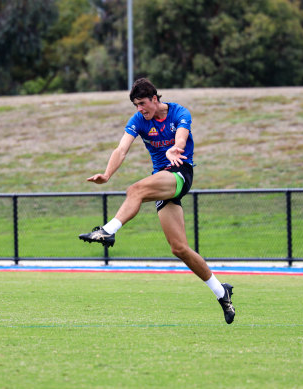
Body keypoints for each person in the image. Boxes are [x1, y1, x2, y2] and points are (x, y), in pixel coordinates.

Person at [78, 78, 235, 324]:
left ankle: (108, 231)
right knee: (179, 249)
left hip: (180, 173)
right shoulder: (139, 121)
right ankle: (220, 291)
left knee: (135, 190)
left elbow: (181, 137)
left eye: (142, 103)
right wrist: (107, 174)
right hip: (162, 181)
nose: (140, 109)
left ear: (154, 98)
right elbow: (121, 150)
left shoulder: (179, 112)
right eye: (136, 105)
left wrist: (176, 148)